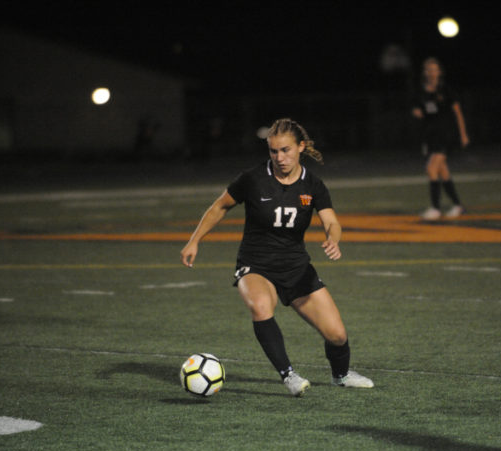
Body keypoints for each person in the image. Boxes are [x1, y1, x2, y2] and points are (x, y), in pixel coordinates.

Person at [180, 118, 374, 397]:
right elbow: (219, 207)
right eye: (273, 151)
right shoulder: (253, 179)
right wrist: (194, 240)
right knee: (260, 307)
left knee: (338, 335)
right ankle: (289, 375)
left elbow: (331, 221)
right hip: (256, 264)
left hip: (296, 267)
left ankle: (341, 376)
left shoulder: (313, 185)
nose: (279, 157)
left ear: (301, 147)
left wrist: (333, 238)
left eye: (286, 150)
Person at [411, 57, 470, 220]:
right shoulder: (421, 92)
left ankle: (436, 208)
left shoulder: (446, 91)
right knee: (443, 172)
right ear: (424, 72)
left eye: (434, 69)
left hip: (446, 135)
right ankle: (458, 206)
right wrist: (417, 113)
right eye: (428, 69)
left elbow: (458, 113)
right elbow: (418, 110)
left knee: (431, 168)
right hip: (431, 136)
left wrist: (463, 134)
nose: (431, 72)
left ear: (439, 72)